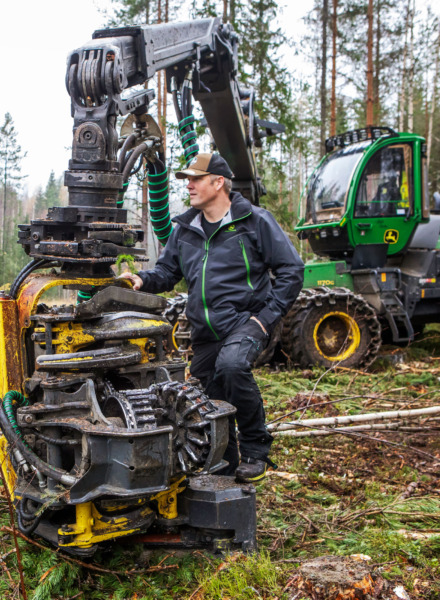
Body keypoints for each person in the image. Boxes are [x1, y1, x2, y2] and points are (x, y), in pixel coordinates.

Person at [119, 153, 304, 483]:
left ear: (219, 182)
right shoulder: (185, 229)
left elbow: (291, 270)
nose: (188, 185)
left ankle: (257, 451)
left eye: (196, 179)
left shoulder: (254, 222)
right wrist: (142, 279)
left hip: (246, 321)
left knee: (232, 366)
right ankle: (227, 466)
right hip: (205, 331)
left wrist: (266, 318)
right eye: (187, 180)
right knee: (209, 398)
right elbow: (168, 272)